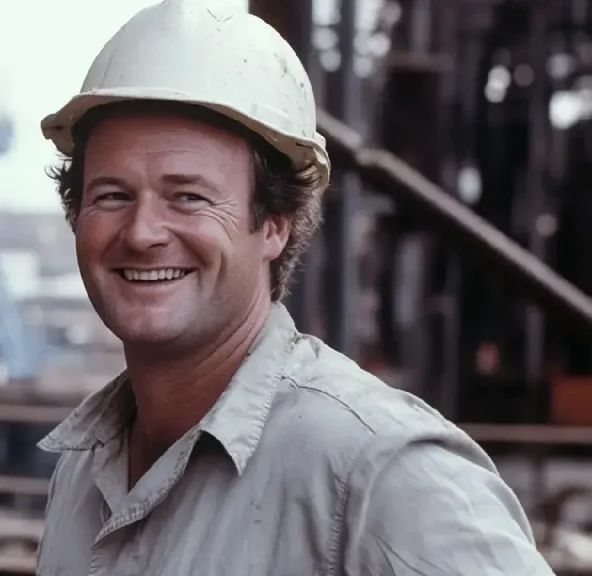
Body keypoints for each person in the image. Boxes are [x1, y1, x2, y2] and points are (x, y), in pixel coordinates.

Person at [34, 1, 556, 574]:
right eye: (112, 195)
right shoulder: (84, 472)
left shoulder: (381, 474)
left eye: (188, 197)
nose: (141, 232)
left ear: (275, 226)